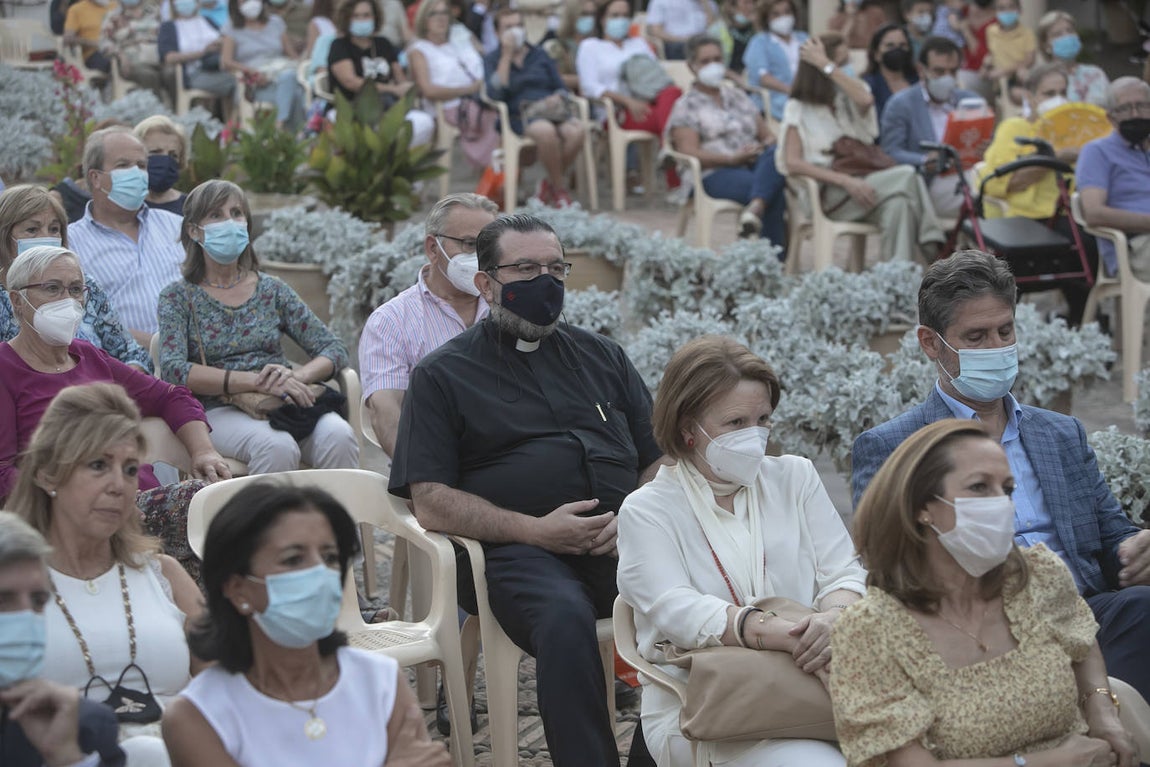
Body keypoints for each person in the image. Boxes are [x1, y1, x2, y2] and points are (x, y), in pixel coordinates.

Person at [389, 213, 666, 767]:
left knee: (705, 599)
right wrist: (536, 531)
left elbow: (660, 458)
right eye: (525, 269)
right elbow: (430, 499)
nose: (545, 282)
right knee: (564, 619)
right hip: (515, 555)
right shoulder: (443, 375)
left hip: (623, 540)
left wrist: (635, 516)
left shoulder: (603, 356)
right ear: (486, 283)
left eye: (555, 268)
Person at [850, 250, 1150, 704]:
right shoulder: (895, 445)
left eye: (1005, 331)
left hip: (1084, 609)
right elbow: (889, 566)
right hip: (983, 627)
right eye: (976, 337)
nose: (996, 347)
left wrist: (1135, 550)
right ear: (931, 343)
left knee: (1141, 609)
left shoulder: (1059, 433)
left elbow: (1112, 534)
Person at [617, 336, 866, 767]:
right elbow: (677, 610)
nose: (755, 436)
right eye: (735, 422)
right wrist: (780, 633)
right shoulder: (648, 509)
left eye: (763, 419)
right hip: (705, 707)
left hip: (817, 687)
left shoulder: (795, 478)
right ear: (687, 428)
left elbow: (843, 573)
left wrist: (834, 619)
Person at [836, 418, 1137, 767]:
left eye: (1007, 489)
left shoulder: (1037, 575)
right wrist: (1049, 762)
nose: (1001, 504)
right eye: (979, 487)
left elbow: (1081, 644)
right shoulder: (870, 630)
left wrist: (1102, 711)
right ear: (922, 507)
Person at [161, 482, 451, 767]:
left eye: (330, 557)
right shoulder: (199, 717)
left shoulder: (380, 681)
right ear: (238, 589)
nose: (319, 573)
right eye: (293, 559)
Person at [8, 383, 207, 762]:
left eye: (130, 469)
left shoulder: (163, 575)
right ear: (47, 474)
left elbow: (225, 684)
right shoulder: (13, 588)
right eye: (98, 465)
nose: (119, 485)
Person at [156, 179, 359, 475]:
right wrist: (254, 381)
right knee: (276, 446)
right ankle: (265, 509)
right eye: (216, 215)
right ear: (193, 230)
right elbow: (173, 369)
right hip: (216, 408)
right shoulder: (177, 297)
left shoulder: (272, 289)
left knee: (339, 436)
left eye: (236, 213)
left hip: (280, 399)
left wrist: (296, 377)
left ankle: (340, 508)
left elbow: (333, 348)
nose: (230, 222)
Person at [0, 246, 229, 500]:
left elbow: (171, 396)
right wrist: (68, 501)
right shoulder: (5, 368)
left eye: (75, 289)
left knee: (222, 501)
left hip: (137, 496)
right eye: (52, 288)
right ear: (17, 300)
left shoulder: (89, 356)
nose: (67, 300)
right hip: (69, 510)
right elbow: (3, 472)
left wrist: (203, 452)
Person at [776, 34, 944, 264]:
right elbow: (792, 162)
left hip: (865, 186)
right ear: (820, 67)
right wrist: (845, 181)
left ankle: (896, 279)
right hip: (828, 192)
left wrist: (828, 66)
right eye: (842, 63)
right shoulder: (798, 107)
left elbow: (865, 100)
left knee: (900, 205)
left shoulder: (847, 98)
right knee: (907, 174)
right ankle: (933, 243)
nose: (846, 70)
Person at [359, 194, 496, 459]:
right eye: (470, 244)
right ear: (433, 248)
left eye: (489, 246)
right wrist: (422, 475)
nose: (481, 257)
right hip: (437, 461)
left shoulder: (509, 308)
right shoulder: (391, 322)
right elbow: (386, 414)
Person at [0, 510, 126, 767]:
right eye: (2, 600)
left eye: (38, 601)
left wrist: (66, 758)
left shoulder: (81, 727)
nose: (26, 616)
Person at [977, 63, 1098, 323]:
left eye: (1062, 92)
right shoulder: (1014, 128)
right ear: (1030, 97)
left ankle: (1081, 322)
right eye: (1049, 93)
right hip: (1022, 216)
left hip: (1064, 213)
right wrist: (1053, 158)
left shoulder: (1075, 131)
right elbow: (999, 184)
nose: (1058, 99)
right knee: (1018, 259)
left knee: (1087, 245)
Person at [0, 185, 151, 372]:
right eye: (32, 230)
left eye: (54, 229)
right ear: (4, 236)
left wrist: (119, 383)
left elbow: (132, 353)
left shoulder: (84, 285)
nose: (46, 237)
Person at [67, 127, 185, 347]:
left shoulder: (175, 226)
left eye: (141, 165)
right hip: (124, 362)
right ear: (95, 178)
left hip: (193, 358)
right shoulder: (72, 243)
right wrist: (159, 346)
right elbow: (82, 322)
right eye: (123, 165)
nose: (136, 173)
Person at [667, 34, 786, 245]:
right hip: (713, 172)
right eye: (705, 61)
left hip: (753, 164)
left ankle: (756, 213)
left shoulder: (738, 96)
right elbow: (688, 151)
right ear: (692, 66)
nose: (713, 65)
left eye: (717, 59)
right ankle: (772, 256)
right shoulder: (686, 106)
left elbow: (767, 135)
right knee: (772, 191)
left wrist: (761, 146)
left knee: (775, 154)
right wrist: (731, 159)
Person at [484, 8, 586, 206]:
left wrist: (557, 96)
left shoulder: (539, 54)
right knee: (545, 131)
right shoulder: (492, 59)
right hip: (519, 116)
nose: (515, 31)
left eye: (519, 25)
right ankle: (559, 189)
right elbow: (496, 94)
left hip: (551, 111)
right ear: (497, 33)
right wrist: (506, 56)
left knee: (577, 131)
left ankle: (549, 184)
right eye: (508, 27)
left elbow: (560, 86)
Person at [880, 35, 981, 219]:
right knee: (982, 194)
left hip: (970, 173)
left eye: (952, 72)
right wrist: (925, 160)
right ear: (921, 70)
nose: (947, 78)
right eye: (939, 71)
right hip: (929, 183)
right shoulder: (901, 104)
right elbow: (891, 152)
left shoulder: (971, 101)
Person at [575, 0, 682, 155]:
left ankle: (668, 152)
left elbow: (656, 76)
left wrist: (647, 100)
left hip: (650, 103)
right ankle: (670, 153)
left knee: (673, 92)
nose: (621, 20)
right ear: (602, 19)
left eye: (625, 16)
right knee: (677, 123)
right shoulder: (590, 47)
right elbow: (589, 87)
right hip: (617, 112)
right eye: (615, 15)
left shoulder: (639, 44)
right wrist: (628, 102)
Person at [408, 0, 500, 171]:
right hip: (450, 105)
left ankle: (503, 172)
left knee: (511, 110)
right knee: (496, 118)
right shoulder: (419, 50)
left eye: (444, 13)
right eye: (434, 14)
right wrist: (468, 89)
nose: (441, 18)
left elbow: (485, 57)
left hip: (481, 95)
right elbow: (428, 90)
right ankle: (493, 170)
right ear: (423, 19)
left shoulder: (459, 36)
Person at [327, 0, 434, 146]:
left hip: (387, 108)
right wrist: (392, 89)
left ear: (375, 17)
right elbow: (350, 82)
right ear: (347, 19)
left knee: (424, 122)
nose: (362, 20)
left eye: (366, 15)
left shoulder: (383, 44)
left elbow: (399, 77)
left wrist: (407, 87)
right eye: (356, 16)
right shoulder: (339, 46)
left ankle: (394, 158)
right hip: (352, 109)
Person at [1076, 77, 1150, 282]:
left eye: (1142, 106)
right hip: (1135, 246)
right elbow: (1093, 213)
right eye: (1125, 108)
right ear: (1111, 117)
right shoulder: (1097, 152)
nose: (1135, 114)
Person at [221, 0, 305, 128]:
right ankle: (291, 133)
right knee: (296, 95)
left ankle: (280, 126)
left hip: (280, 74)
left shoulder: (276, 23)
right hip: (256, 84)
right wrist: (250, 71)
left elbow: (292, 56)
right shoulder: (231, 28)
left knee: (289, 78)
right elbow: (226, 62)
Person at [157, 0, 238, 116]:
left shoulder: (206, 20)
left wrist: (220, 44)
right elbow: (169, 57)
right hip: (194, 74)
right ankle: (237, 120)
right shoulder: (169, 27)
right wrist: (202, 52)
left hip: (219, 68)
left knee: (242, 79)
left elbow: (225, 38)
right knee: (238, 82)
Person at [742, 0, 808, 122]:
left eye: (787, 12)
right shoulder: (759, 42)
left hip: (807, 97)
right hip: (777, 101)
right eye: (776, 14)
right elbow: (763, 78)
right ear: (766, 18)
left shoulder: (803, 38)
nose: (783, 17)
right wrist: (791, 91)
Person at [1036, 10, 1107, 106]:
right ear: (1046, 46)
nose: (1067, 36)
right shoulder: (1040, 80)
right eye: (1057, 34)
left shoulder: (1096, 74)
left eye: (1070, 31)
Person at [99, 0, 164, 93]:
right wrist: (121, 56)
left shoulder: (155, 12)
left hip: (159, 58)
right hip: (131, 62)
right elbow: (105, 43)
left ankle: (178, 102)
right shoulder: (113, 17)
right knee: (149, 75)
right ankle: (155, 101)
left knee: (172, 73)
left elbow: (167, 34)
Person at [862, 23, 918, 122]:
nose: (897, 50)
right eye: (890, 46)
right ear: (876, 54)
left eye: (902, 45)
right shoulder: (868, 85)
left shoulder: (918, 81)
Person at [134, 116, 188, 216]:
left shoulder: (191, 207)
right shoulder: (123, 206)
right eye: (155, 152)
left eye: (173, 155)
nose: (165, 160)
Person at [983, 0, 1035, 92]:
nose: (1007, 11)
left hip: (1016, 78)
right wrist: (985, 67)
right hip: (994, 80)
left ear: (1020, 10)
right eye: (1001, 8)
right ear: (995, 12)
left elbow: (1029, 60)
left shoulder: (1027, 34)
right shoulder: (990, 31)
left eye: (1011, 7)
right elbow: (991, 54)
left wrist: (1003, 71)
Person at [644, 0, 717, 60]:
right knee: (682, 48)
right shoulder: (661, 1)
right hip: (675, 42)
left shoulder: (708, 3)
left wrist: (705, 4)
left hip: (703, 41)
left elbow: (714, 28)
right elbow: (656, 31)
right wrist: (682, 39)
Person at [64, 0, 115, 73]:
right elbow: (68, 39)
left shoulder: (114, 5)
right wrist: (93, 43)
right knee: (114, 65)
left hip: (118, 47)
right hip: (93, 53)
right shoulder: (77, 9)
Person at [706, 0, 755, 75]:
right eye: (746, 3)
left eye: (753, 2)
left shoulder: (755, 28)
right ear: (732, 6)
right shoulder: (717, 30)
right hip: (728, 76)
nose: (751, 7)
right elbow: (711, 63)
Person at [827, 0, 892, 50]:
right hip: (848, 54)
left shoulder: (876, 13)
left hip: (871, 52)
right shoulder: (836, 18)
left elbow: (886, 35)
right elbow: (836, 44)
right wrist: (851, 19)